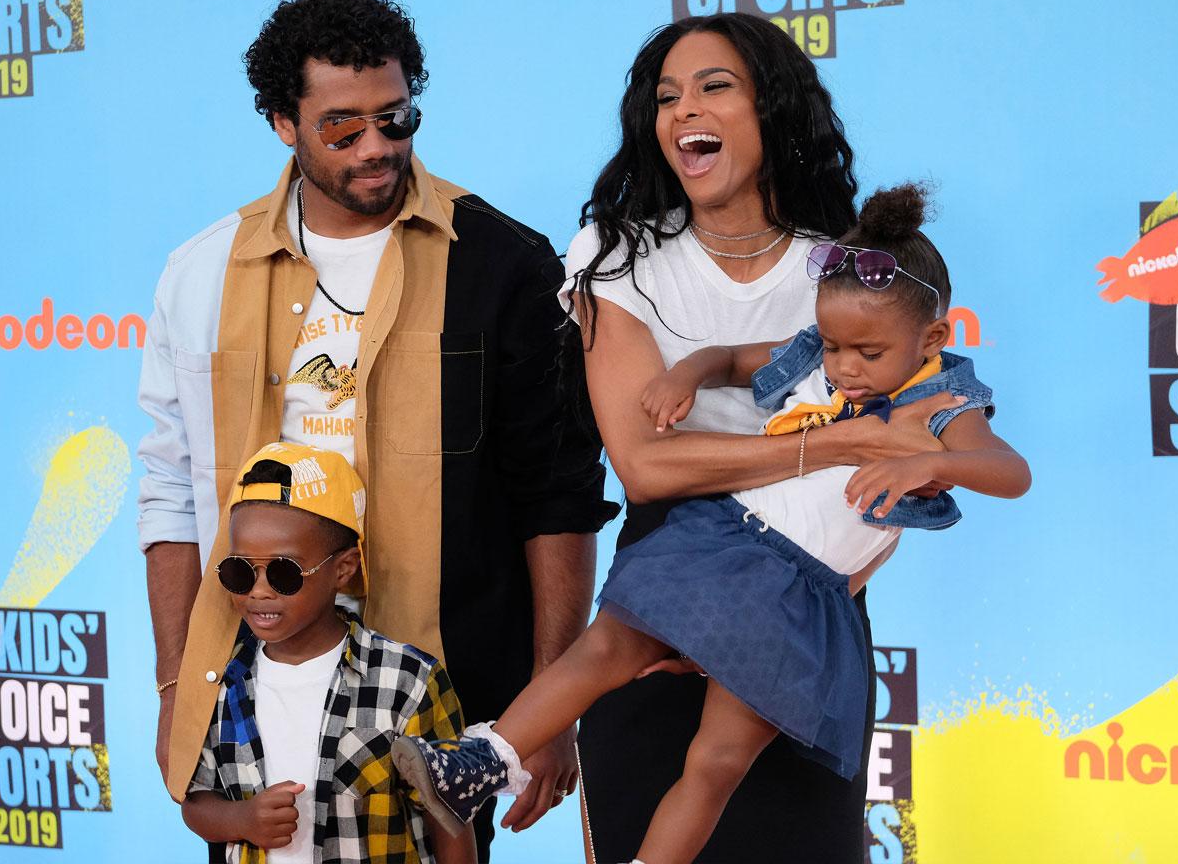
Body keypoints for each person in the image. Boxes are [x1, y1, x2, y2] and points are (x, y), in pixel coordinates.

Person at [391, 182, 1031, 864]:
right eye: (835, 345)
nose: (843, 368)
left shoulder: (943, 401)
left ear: (932, 337)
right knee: (605, 648)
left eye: (867, 354)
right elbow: (733, 359)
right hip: (725, 542)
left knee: (717, 761)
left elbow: (1008, 472)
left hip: (799, 600)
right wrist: (686, 374)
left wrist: (925, 464)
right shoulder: (821, 351)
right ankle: (473, 767)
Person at [136, 0, 615, 859]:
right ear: (284, 123)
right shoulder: (198, 275)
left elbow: (559, 496)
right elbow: (169, 493)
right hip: (250, 688)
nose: (377, 149)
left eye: (395, 120)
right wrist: (177, 681)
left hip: (446, 700)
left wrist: (555, 699)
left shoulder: (503, 262)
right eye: (342, 129)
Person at [525, 13, 967, 863]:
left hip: (810, 600)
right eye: (665, 96)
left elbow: (905, 458)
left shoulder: (852, 269)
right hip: (663, 592)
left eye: (713, 86)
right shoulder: (614, 256)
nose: (683, 108)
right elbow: (647, 467)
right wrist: (833, 451)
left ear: (772, 108)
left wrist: (769, 609)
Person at [183, 442, 476, 864]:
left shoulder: (409, 681)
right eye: (240, 571)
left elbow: (450, 817)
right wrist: (242, 819)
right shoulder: (220, 682)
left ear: (344, 568)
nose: (259, 590)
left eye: (284, 572)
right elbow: (194, 800)